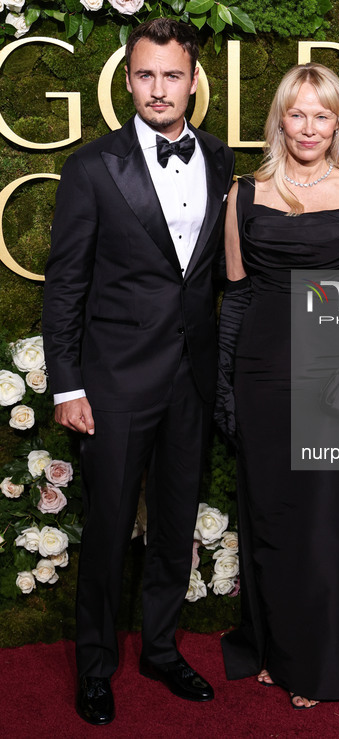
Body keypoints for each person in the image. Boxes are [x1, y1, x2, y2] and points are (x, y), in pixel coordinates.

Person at [42, 18, 234, 725]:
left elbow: (211, 275)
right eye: (146, 75)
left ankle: (159, 646)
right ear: (128, 79)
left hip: (191, 376)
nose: (159, 89)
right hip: (115, 382)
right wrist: (67, 383)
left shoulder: (218, 158)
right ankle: (96, 666)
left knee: (175, 520)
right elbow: (65, 285)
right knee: (108, 528)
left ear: (192, 81)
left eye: (172, 75)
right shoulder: (92, 167)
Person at [216, 62, 339, 709]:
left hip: (329, 379)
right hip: (259, 372)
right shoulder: (245, 193)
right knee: (271, 518)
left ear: (337, 121)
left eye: (322, 114)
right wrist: (228, 389)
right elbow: (234, 296)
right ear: (279, 119)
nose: (308, 126)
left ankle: (317, 666)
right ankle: (272, 650)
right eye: (297, 112)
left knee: (323, 525)